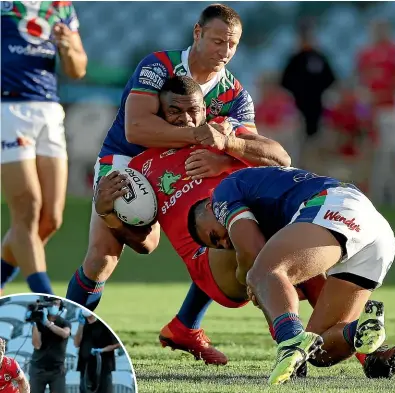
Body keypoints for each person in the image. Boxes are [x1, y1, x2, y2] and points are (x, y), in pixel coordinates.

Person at [65, 2, 262, 363]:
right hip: (127, 163)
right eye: (217, 41)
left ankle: (185, 327)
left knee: (223, 231)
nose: (224, 51)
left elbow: (253, 147)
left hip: (181, 165)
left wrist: (222, 154)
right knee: (102, 258)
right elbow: (136, 128)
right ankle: (69, 336)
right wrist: (203, 135)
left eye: (231, 44)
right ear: (197, 33)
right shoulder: (158, 66)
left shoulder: (235, 94)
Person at [93, 75, 293, 366]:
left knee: (308, 234)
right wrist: (107, 213)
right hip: (213, 258)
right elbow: (146, 244)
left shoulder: (221, 132)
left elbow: (281, 159)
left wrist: (227, 151)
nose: (186, 119)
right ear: (160, 113)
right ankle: (289, 339)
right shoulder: (140, 169)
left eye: (193, 111)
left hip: (249, 234)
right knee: (248, 227)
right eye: (175, 111)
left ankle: (356, 346)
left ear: (204, 109)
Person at [187, 166, 395, 384]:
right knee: (320, 350)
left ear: (209, 207)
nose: (225, 243)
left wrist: (246, 279)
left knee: (260, 272)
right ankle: (360, 331)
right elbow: (317, 291)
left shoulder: (221, 195)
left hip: (335, 205)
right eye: (219, 246)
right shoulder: (279, 225)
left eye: (214, 236)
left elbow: (252, 253)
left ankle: (291, 344)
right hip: (376, 234)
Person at [1, 0, 88, 294]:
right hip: (8, 107)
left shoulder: (61, 7)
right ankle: (46, 301)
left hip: (48, 109)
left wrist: (67, 47)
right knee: (27, 209)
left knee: (50, 219)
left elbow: (78, 69)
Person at [357, 19, 395, 207]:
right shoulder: (365, 54)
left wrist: (389, 91)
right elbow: (361, 80)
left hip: (391, 107)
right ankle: (378, 194)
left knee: (393, 153)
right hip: (375, 110)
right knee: (379, 154)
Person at [281, 19, 336, 173]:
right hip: (298, 113)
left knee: (317, 150)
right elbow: (283, 84)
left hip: (319, 111)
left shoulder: (319, 58)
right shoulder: (294, 59)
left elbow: (332, 81)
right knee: (299, 150)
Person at [29, 298, 71, 393]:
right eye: (51, 303)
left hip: (57, 370)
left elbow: (65, 334)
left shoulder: (64, 323)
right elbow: (37, 345)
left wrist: (47, 323)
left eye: (56, 304)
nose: (53, 306)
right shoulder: (39, 322)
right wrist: (35, 324)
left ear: (61, 307)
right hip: (38, 368)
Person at [74, 309, 120, 393]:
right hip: (86, 369)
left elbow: (118, 343)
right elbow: (76, 344)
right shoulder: (83, 325)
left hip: (103, 368)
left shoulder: (104, 324)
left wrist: (102, 350)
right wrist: (81, 325)